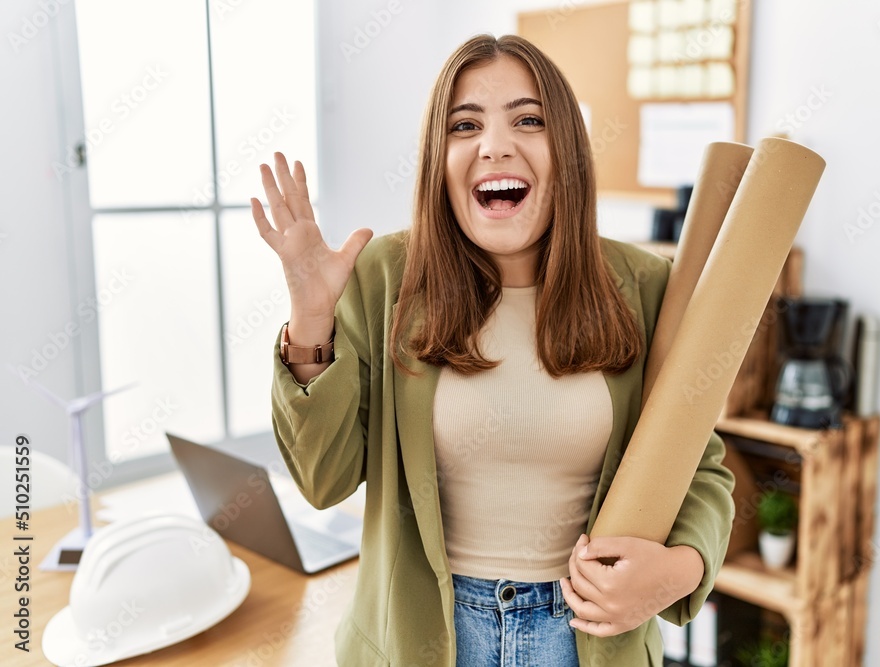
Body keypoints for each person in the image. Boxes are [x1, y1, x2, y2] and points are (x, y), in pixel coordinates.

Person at [253, 33, 734, 667]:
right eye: (465, 124)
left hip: (584, 640)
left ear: (566, 151)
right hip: (422, 640)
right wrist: (312, 320)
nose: (496, 145)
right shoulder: (383, 278)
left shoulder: (645, 287)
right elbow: (324, 481)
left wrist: (679, 570)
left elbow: (700, 466)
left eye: (529, 120)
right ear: (438, 160)